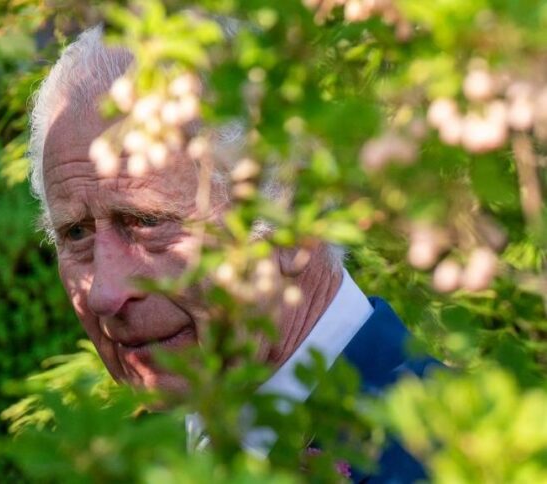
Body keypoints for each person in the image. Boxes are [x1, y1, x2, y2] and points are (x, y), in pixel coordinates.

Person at [26, 25, 440, 482]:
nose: (104, 294)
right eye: (76, 232)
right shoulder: (136, 458)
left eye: (146, 222)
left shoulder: (450, 454)